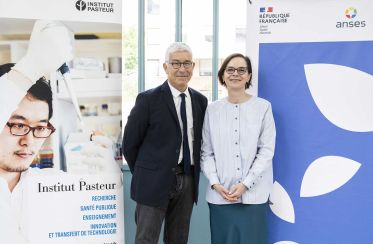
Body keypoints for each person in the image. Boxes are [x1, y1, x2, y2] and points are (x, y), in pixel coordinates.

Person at [123, 42, 208, 244]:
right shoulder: (147, 100)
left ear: (193, 67)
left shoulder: (200, 101)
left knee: (178, 239)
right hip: (153, 181)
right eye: (176, 63)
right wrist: (148, 173)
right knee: (146, 239)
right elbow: (129, 144)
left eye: (186, 63)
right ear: (165, 67)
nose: (182, 69)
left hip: (187, 181)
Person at [201, 53, 276, 244]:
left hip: (254, 195)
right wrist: (215, 183)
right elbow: (206, 152)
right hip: (220, 196)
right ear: (223, 75)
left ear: (249, 76)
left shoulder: (263, 107)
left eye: (242, 70)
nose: (236, 74)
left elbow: (266, 151)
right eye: (230, 69)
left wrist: (246, 184)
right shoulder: (212, 109)